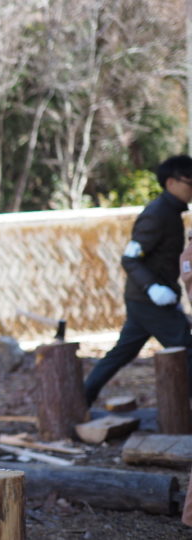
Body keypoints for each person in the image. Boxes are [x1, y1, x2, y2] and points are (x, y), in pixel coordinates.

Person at [84, 155, 192, 407]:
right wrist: (152, 288)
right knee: (185, 348)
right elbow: (130, 259)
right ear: (171, 182)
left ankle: (80, 398)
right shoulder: (157, 214)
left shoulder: (171, 212)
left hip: (151, 298)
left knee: (122, 352)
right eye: (189, 182)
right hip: (147, 299)